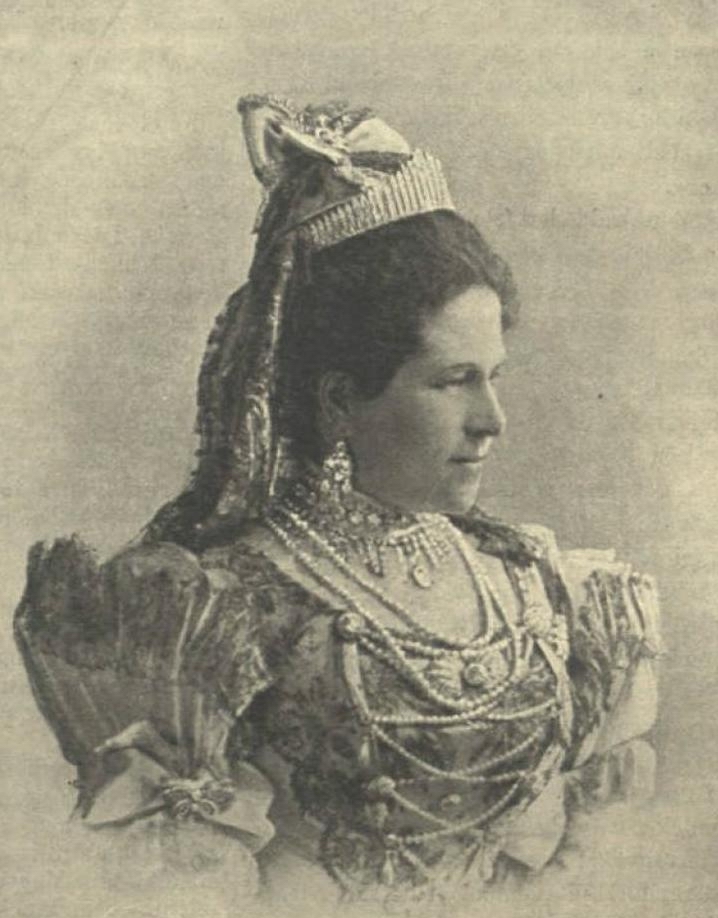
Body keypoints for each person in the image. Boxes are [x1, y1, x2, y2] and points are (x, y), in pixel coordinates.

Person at [15, 95, 661, 915]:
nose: (492, 420)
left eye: (494, 376)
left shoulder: (534, 583)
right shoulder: (220, 608)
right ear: (339, 400)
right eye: (452, 380)